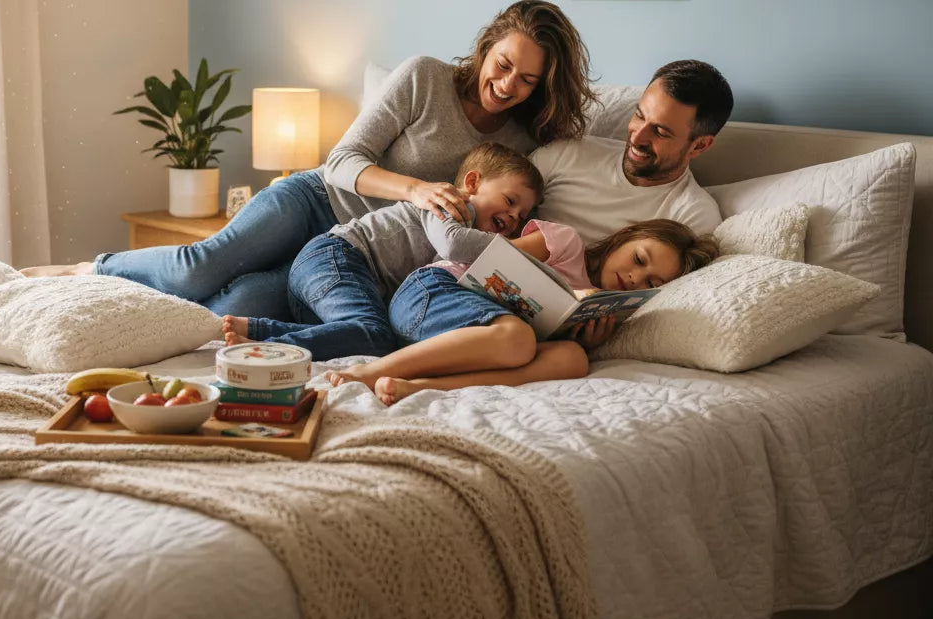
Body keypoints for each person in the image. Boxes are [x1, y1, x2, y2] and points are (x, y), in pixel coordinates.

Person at [22, 0, 596, 320]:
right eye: (502, 66)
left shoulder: (523, 144)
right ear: (485, 48)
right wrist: (415, 190)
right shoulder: (425, 78)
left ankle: (128, 327)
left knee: (237, 305)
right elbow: (344, 159)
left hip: (356, 256)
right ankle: (89, 272)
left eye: (526, 80)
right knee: (203, 266)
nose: (507, 86)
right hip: (317, 201)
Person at [326, 218, 719, 405]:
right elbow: (489, 262)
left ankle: (421, 387)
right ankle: (369, 371)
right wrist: (566, 289)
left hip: (474, 342)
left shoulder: (607, 306)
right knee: (517, 338)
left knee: (573, 358)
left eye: (650, 283)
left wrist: (586, 333)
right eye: (639, 258)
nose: (635, 277)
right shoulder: (566, 243)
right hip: (433, 294)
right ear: (626, 237)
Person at [220, 143, 541, 359]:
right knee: (375, 336)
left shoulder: (473, 232)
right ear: (472, 183)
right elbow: (453, 244)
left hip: (329, 287)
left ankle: (259, 329)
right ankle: (266, 343)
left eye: (523, 216)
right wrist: (516, 249)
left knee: (361, 338)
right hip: (336, 257)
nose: (514, 218)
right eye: (510, 201)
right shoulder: (447, 202)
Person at [529, 59, 732, 246]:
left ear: (700, 146)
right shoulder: (567, 153)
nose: (637, 138)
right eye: (639, 116)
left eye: (660, 132)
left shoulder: (692, 217)